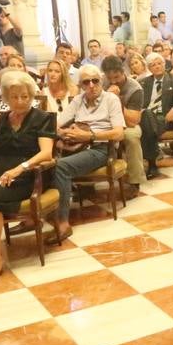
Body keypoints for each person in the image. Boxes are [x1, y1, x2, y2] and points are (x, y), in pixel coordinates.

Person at [0, 70, 56, 282]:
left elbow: (46, 153)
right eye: (14, 97)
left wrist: (19, 168)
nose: (20, 101)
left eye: (25, 96)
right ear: (6, 97)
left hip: (28, 177)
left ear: (32, 96)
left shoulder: (43, 118)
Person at [49, 64, 126, 242]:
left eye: (95, 81)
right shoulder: (77, 100)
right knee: (45, 165)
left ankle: (62, 223)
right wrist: (65, 132)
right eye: (86, 82)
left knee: (61, 167)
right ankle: (37, 216)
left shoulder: (111, 100)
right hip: (76, 146)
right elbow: (58, 125)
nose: (91, 85)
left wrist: (89, 136)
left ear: (101, 81)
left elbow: (119, 133)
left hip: (101, 148)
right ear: (81, 85)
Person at [101, 55, 148, 191]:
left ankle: (135, 180)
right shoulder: (101, 83)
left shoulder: (135, 88)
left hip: (126, 124)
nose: (113, 81)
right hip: (103, 123)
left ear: (123, 72)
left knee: (132, 137)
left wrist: (117, 100)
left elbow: (133, 120)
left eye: (116, 77)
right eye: (110, 78)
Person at [139, 55, 173, 178]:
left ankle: (151, 163)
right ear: (149, 68)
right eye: (153, 65)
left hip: (165, 117)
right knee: (147, 116)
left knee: (147, 120)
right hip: (145, 116)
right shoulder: (144, 82)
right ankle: (153, 159)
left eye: (159, 63)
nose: (157, 66)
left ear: (164, 64)